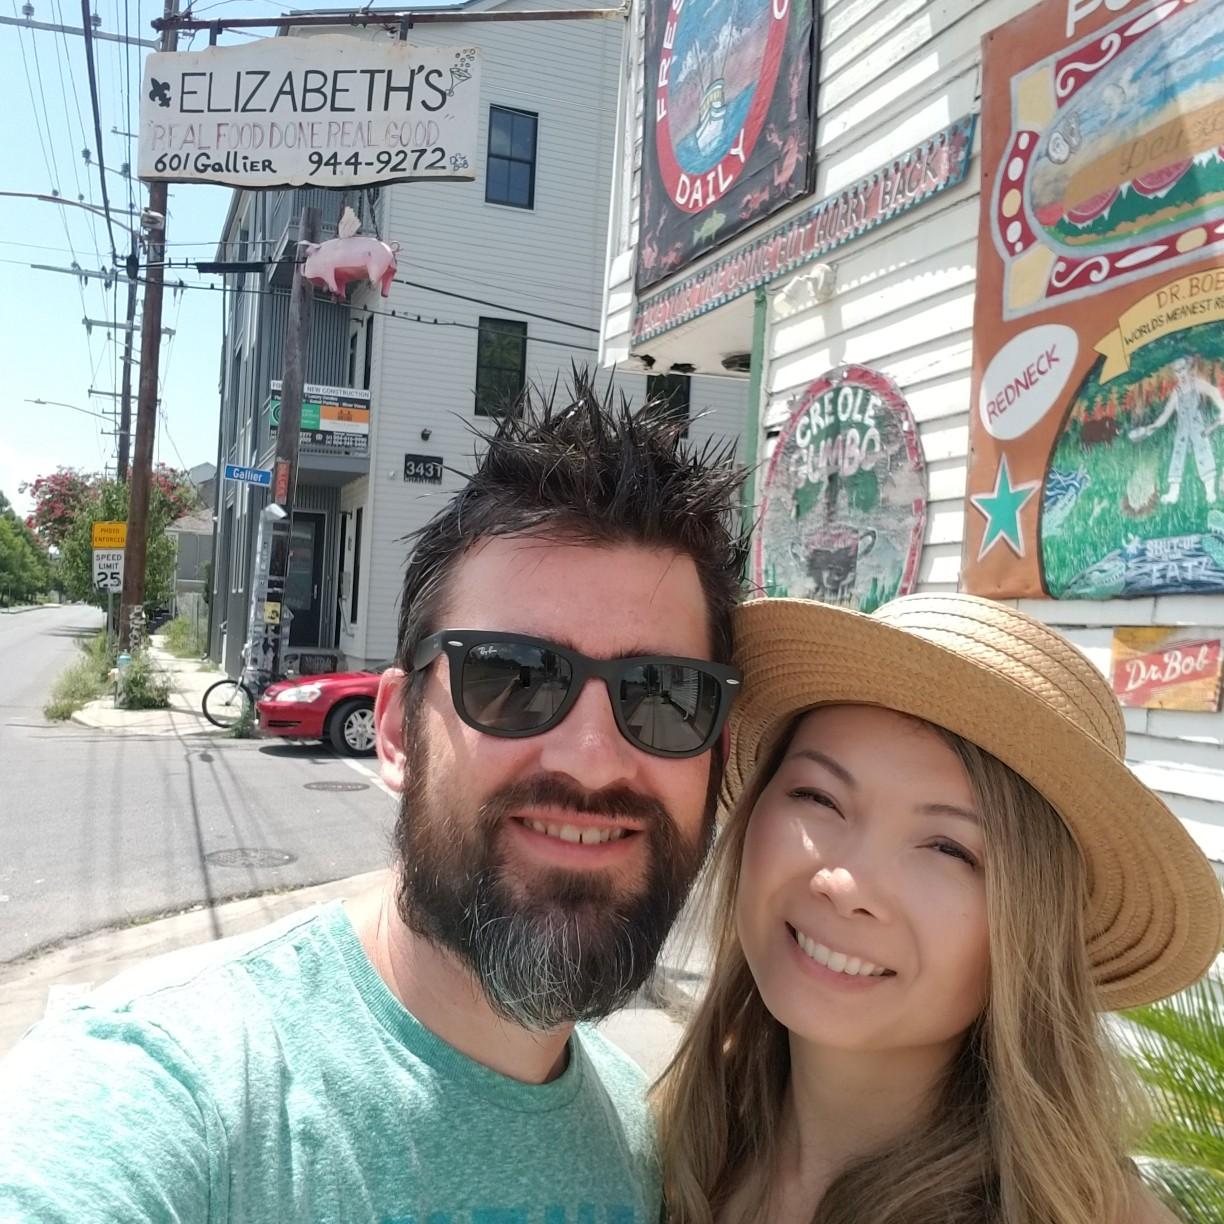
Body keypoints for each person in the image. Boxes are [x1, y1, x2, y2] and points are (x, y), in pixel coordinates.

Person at [0, 375, 748, 1222]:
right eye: (512, 677)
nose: (592, 759)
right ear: (395, 732)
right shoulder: (164, 1085)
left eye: (662, 693)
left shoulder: (644, 1145)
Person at [655, 592, 1223, 1224]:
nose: (846, 885)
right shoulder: (667, 1137)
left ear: (1030, 927)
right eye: (818, 797)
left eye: (949, 848)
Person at [1128, 355, 1224, 506]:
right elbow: (1165, 415)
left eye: (1183, 369)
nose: (1181, 374)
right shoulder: (1176, 392)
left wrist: (1222, 410)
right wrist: (1151, 428)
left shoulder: (1196, 384)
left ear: (1189, 368)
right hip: (1182, 431)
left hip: (1198, 428)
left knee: (1204, 453)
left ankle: (1209, 491)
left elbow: (1214, 392)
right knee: (1177, 457)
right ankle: (1173, 493)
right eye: (1177, 371)